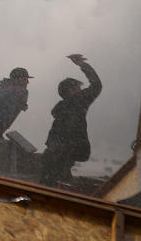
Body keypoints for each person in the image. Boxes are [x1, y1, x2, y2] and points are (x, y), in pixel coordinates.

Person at [40, 54, 102, 187]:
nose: (81, 90)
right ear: (71, 90)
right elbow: (96, 85)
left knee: (49, 180)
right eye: (78, 88)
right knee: (58, 181)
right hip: (70, 149)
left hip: (54, 149)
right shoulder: (78, 101)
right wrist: (82, 65)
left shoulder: (61, 108)